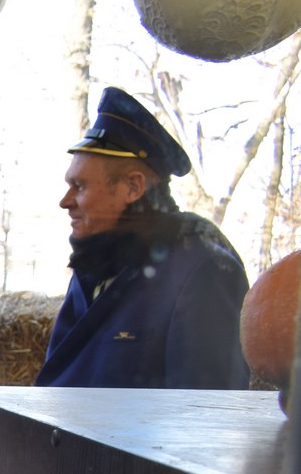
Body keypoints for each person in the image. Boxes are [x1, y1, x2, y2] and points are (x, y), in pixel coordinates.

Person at [35, 86, 250, 390]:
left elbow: (207, 411)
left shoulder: (203, 271)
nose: (65, 201)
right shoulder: (95, 264)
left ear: (133, 187)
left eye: (80, 186)